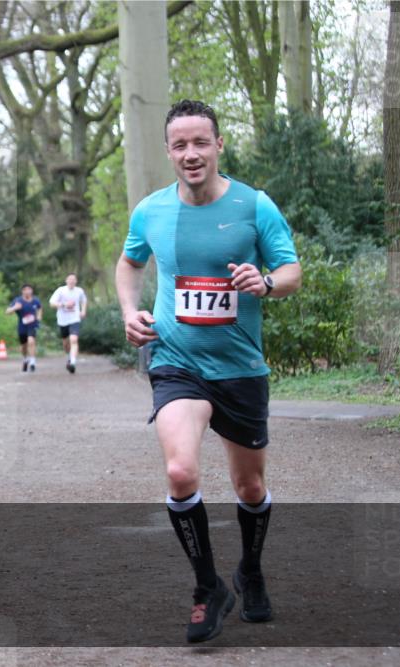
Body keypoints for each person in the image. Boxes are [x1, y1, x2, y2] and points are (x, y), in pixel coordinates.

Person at [115, 100, 302, 643]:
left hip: (240, 367)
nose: (191, 153)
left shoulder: (254, 205)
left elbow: (291, 270)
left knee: (250, 486)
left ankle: (250, 571)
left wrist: (265, 283)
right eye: (180, 145)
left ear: (219, 144)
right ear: (168, 151)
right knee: (180, 473)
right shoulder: (150, 210)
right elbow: (129, 263)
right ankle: (207, 587)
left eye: (201, 142)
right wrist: (129, 311)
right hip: (177, 362)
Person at [49, 274, 86, 373]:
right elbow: (52, 303)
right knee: (66, 344)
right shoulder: (61, 290)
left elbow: (84, 301)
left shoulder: (79, 291)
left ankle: (73, 362)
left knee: (74, 339)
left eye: (74, 279)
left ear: (76, 281)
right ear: (66, 280)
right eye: (70, 279)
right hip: (63, 320)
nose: (72, 281)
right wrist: (64, 304)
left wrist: (83, 311)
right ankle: (69, 357)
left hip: (75, 319)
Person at [6, 284, 42, 372]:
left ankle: (32, 362)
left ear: (32, 291)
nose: (27, 291)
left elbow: (40, 308)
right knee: (23, 346)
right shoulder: (18, 300)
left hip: (32, 325)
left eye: (29, 289)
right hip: (22, 326)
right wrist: (15, 307)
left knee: (31, 341)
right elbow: (7, 312)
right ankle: (25, 359)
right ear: (22, 291)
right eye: (25, 289)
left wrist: (39, 317)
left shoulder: (35, 300)